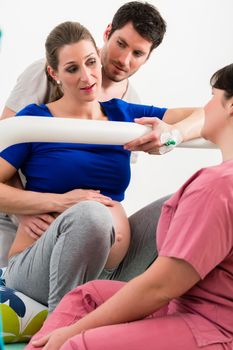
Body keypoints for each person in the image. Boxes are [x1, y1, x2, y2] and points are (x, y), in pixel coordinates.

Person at [25, 63, 233, 350]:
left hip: (211, 324)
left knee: (75, 344)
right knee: (87, 296)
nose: (206, 105)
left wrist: (70, 334)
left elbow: (160, 287)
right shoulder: (33, 119)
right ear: (54, 73)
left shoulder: (216, 187)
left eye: (212, 95)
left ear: (231, 105)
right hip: (186, 303)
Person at [0, 21, 203, 313]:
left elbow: (209, 114)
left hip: (112, 272)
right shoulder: (35, 120)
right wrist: (61, 202)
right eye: (72, 69)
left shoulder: (124, 114)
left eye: (91, 62)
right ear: (53, 73)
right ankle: (62, 327)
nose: (87, 76)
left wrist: (173, 135)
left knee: (188, 198)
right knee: (91, 214)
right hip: (37, 270)